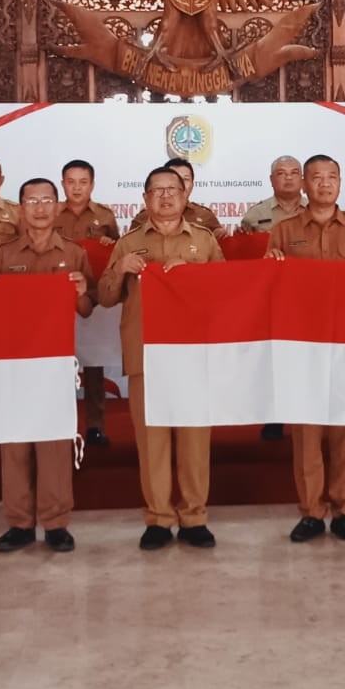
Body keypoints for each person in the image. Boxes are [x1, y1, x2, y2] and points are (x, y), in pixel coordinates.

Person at [98, 166, 225, 550]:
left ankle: (194, 517)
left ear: (185, 195)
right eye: (158, 191)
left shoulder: (203, 242)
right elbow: (104, 296)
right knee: (151, 442)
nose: (166, 197)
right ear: (145, 199)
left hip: (192, 355)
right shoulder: (128, 243)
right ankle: (158, 518)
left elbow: (226, 293)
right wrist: (120, 269)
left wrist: (196, 277)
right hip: (145, 356)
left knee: (193, 441)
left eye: (173, 190)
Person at [0, 178, 96, 553]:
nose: (41, 207)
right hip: (12, 363)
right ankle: (18, 523)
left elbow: (87, 308)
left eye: (47, 200)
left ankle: (56, 523)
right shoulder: (3, 255)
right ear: (20, 209)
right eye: (32, 201)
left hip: (55, 363)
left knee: (53, 444)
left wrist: (80, 291)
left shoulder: (74, 253)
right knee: (14, 444)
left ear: (56, 205)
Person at [265, 154, 345, 544]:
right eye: (316, 178)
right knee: (307, 432)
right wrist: (272, 265)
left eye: (332, 177)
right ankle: (311, 510)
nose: (324, 184)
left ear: (341, 183)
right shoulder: (284, 230)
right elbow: (271, 287)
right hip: (303, 346)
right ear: (304, 186)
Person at [53, 158, 119, 445]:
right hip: (54, 300)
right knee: (58, 364)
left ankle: (95, 425)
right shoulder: (51, 214)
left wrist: (108, 245)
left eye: (83, 182)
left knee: (94, 363)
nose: (77, 188)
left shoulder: (104, 216)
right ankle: (61, 425)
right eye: (71, 181)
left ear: (92, 184)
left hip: (90, 295)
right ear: (63, 183)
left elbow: (117, 254)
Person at [128, 158, 224, 238]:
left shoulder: (205, 216)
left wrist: (222, 235)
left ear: (192, 184)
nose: (181, 184)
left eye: (186, 179)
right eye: (175, 179)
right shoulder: (143, 218)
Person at [239, 155, 305, 233]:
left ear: (302, 179)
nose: (288, 177)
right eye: (281, 173)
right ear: (271, 179)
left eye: (294, 173)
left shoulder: (317, 210)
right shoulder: (255, 214)